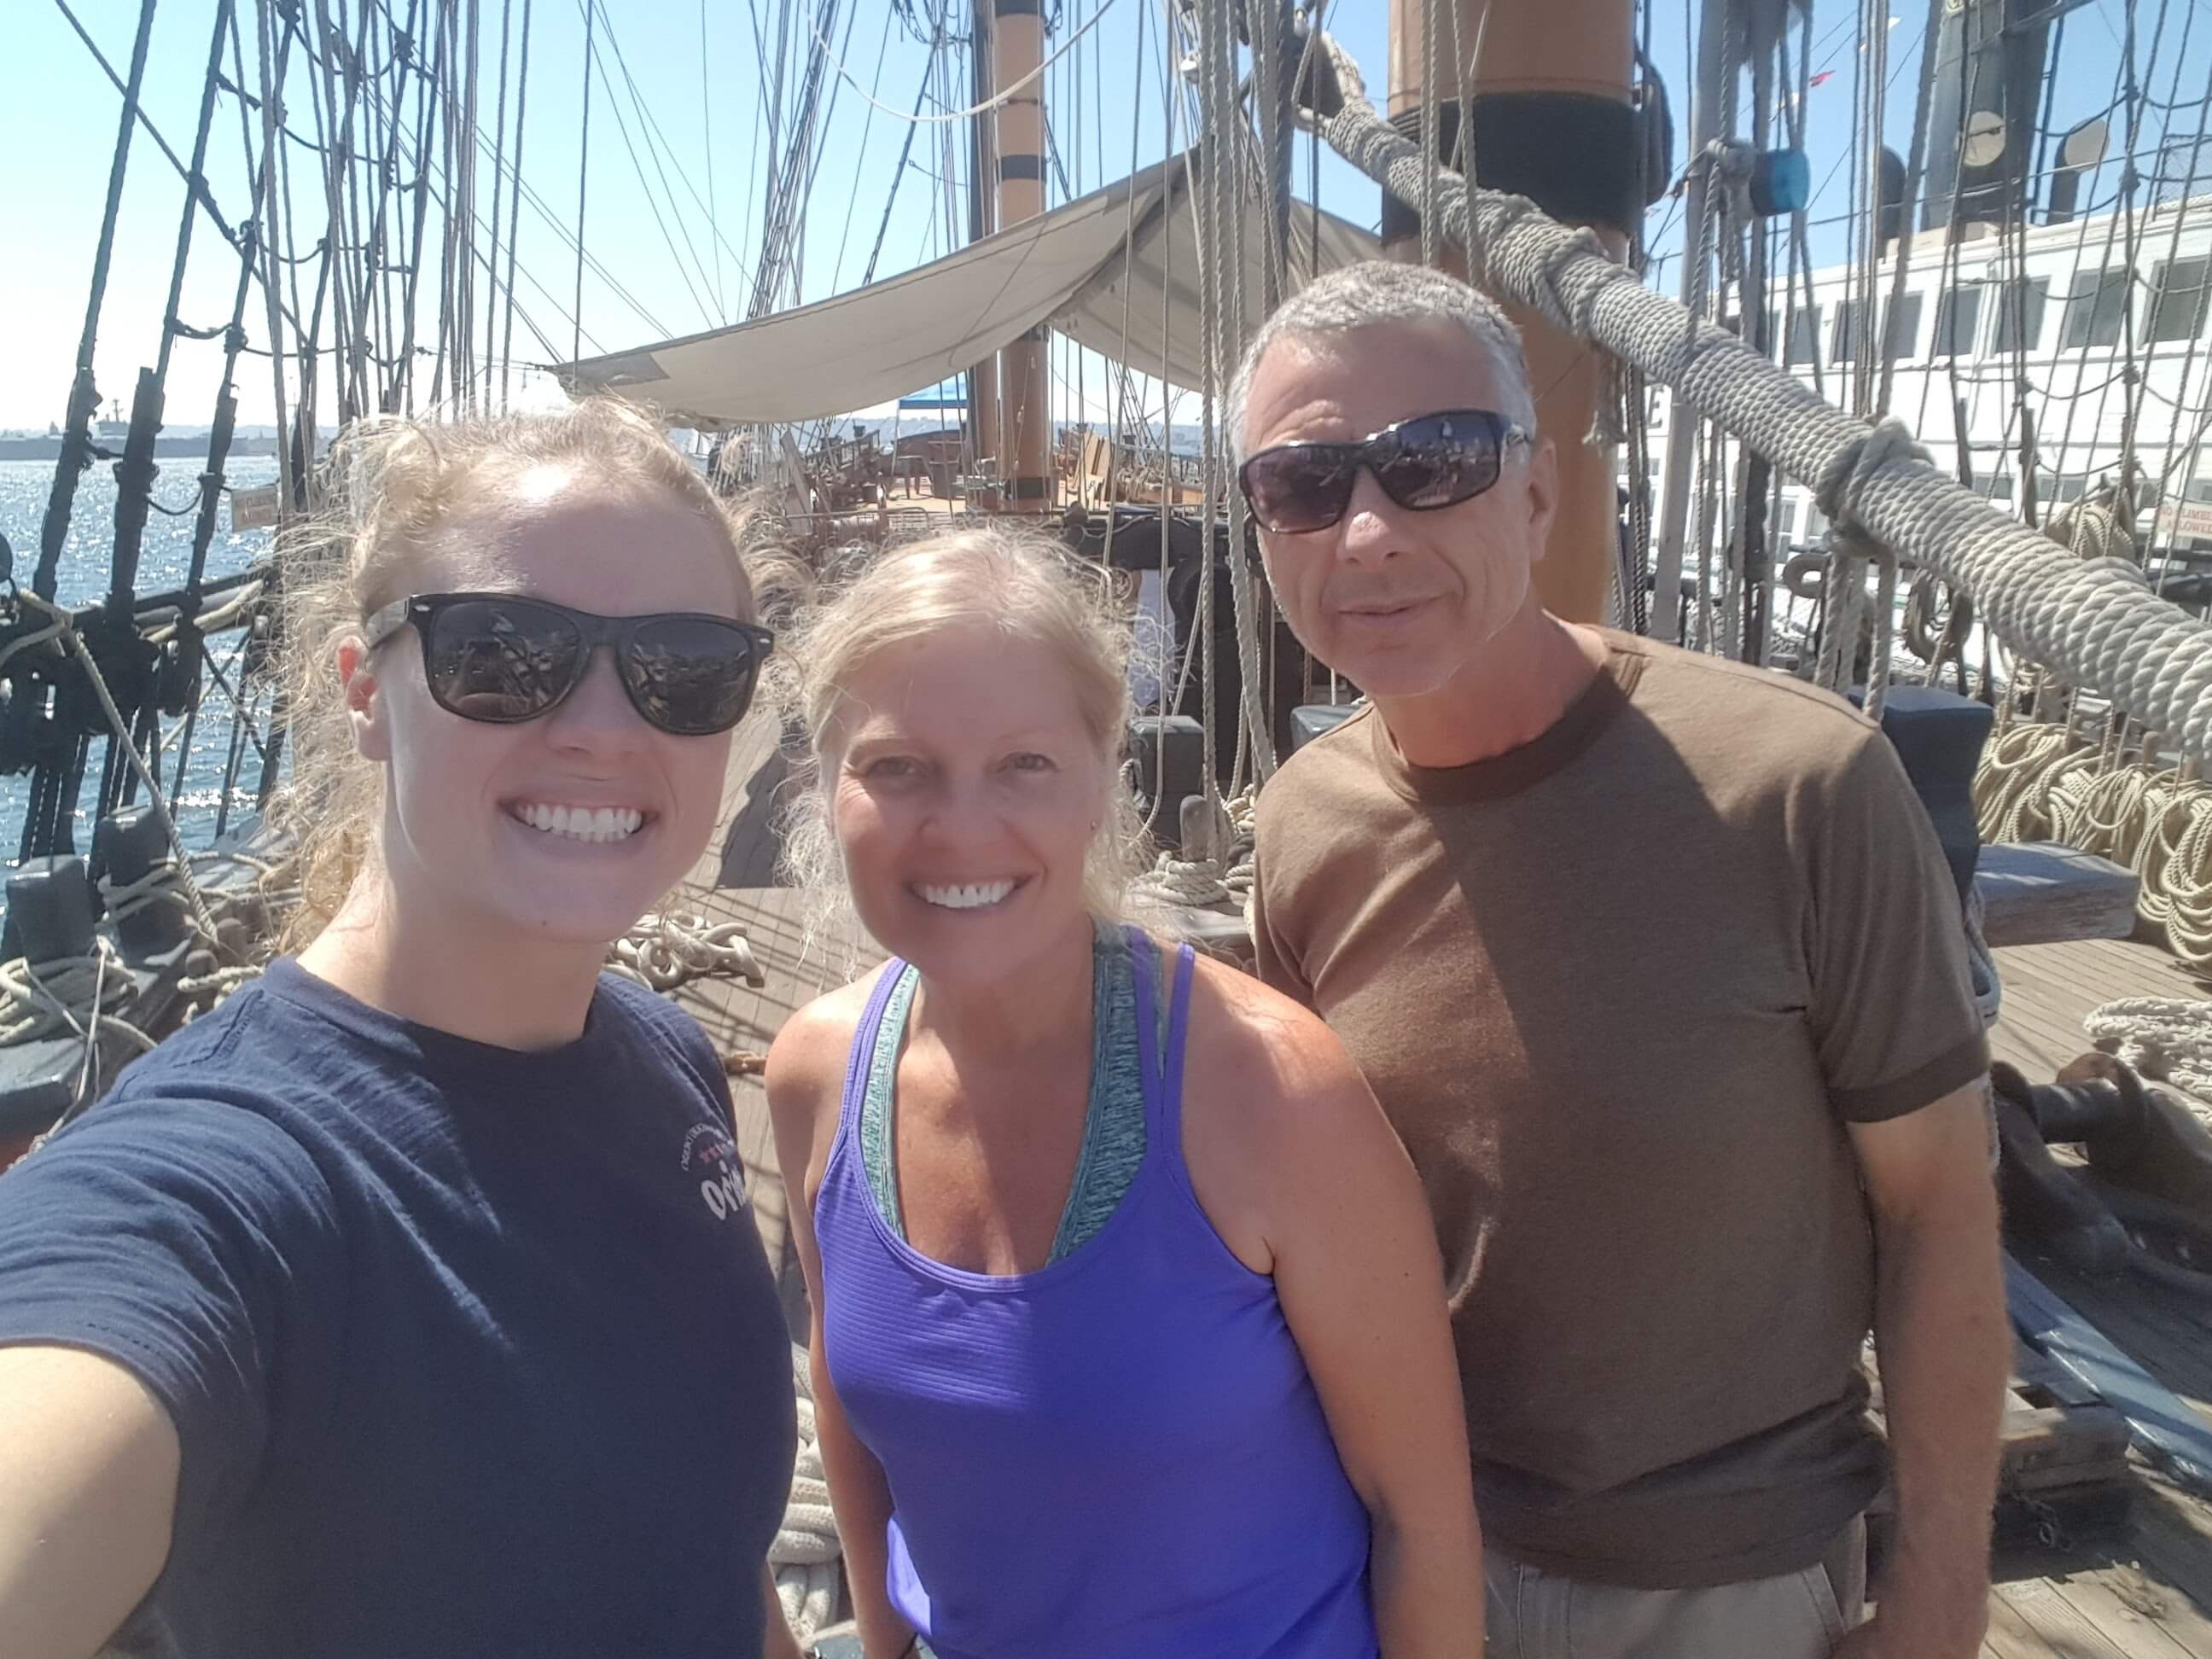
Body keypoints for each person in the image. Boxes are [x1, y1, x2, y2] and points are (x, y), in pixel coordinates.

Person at [1229, 261, 2008, 1659]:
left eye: (1432, 465)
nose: (1365, 532)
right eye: (1304, 483)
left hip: (1717, 1586)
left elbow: (1942, 1210)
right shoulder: (1298, 825)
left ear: (1535, 497)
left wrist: (1942, 1600)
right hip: (1397, 1556)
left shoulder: (1800, 784)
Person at [0, 402, 803, 1659]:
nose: (602, 725)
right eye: (504, 652)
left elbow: (704, 1561)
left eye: (684, 667)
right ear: (365, 691)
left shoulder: (667, 1062)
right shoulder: (225, 1189)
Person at [763, 527, 1483, 1659]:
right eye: (897, 768)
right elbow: (862, 1448)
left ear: (1104, 777)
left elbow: (1423, 1524)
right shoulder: (814, 1072)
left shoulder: (1270, 1094)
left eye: (1025, 766)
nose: (960, 828)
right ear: (826, 783)